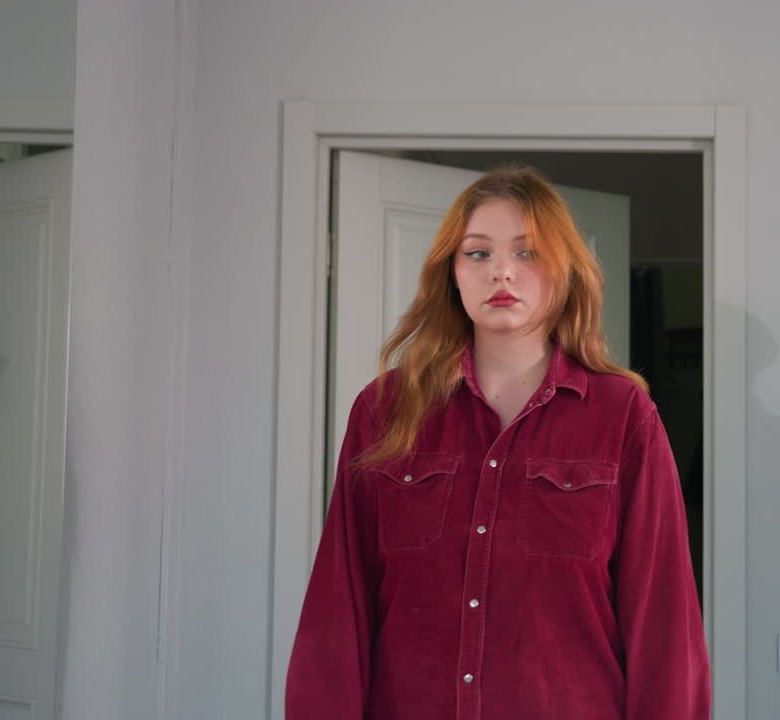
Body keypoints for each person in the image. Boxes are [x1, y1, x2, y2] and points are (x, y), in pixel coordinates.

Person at [286, 166, 710, 719]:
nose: (501, 272)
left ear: (562, 272)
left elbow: (664, 622)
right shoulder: (385, 410)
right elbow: (337, 607)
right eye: (478, 253)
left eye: (527, 252)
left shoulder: (623, 417)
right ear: (452, 273)